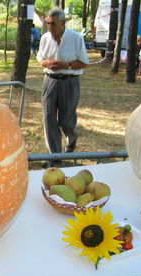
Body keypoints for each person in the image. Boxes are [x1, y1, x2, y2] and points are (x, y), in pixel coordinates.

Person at [36, 7, 89, 168]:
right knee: (49, 118)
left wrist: (68, 64)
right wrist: (46, 63)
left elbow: (85, 63)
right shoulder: (45, 37)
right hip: (50, 81)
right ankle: (55, 157)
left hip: (69, 81)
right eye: (48, 23)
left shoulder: (76, 38)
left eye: (53, 24)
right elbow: (40, 57)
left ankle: (71, 140)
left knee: (66, 120)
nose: (50, 27)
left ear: (63, 23)